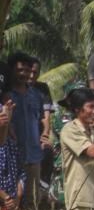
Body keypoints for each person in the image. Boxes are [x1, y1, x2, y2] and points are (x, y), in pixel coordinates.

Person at [4, 52, 45, 210]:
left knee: (32, 202)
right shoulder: (5, 96)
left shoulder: (36, 95)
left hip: (33, 157)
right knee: (11, 202)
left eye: (28, 70)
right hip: (11, 157)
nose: (24, 74)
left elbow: (41, 121)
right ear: (12, 70)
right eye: (20, 70)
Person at [29, 57, 56, 185]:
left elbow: (46, 117)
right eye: (30, 71)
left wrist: (44, 136)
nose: (31, 75)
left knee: (47, 152)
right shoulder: (14, 89)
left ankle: (43, 190)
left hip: (38, 133)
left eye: (35, 72)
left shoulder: (42, 88)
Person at [0, 98, 25, 210]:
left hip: (12, 207)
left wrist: (18, 195)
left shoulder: (11, 144)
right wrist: (5, 197)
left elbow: (21, 172)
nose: (5, 118)